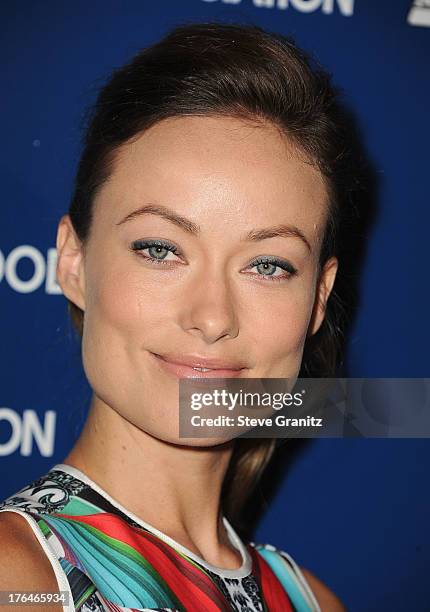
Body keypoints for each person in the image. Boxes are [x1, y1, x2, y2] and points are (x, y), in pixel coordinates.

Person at [0, 21, 361, 611]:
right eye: (160, 249)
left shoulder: (313, 601)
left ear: (319, 298)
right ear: (73, 263)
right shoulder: (16, 580)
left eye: (268, 265)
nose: (213, 317)